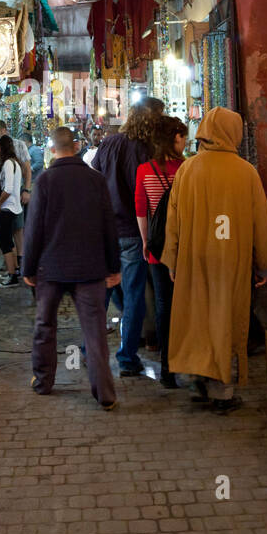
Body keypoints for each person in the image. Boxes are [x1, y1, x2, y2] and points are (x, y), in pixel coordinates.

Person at [163, 106, 267, 413]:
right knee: (226, 320)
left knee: (198, 319)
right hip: (231, 260)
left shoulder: (187, 170)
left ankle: (200, 379)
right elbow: (261, 223)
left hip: (193, 259)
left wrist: (173, 261)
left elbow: (172, 221)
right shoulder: (245, 172)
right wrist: (264, 263)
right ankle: (223, 392)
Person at [22, 127, 121, 410]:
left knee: (45, 326)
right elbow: (108, 226)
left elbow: (34, 230)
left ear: (52, 150)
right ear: (76, 147)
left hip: (51, 269)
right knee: (94, 332)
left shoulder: (45, 181)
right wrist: (113, 266)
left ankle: (43, 381)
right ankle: (105, 394)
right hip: (90, 268)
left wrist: (27, 267)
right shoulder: (95, 180)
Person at [93, 97, 164, 374]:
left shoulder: (109, 143)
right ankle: (126, 358)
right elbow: (145, 193)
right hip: (133, 232)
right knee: (133, 295)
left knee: (104, 293)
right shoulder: (144, 149)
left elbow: (95, 179)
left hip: (107, 229)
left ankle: (89, 349)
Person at [135, 115, 187, 389]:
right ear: (174, 139)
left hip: (157, 249)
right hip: (184, 249)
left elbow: (141, 211)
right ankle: (189, 361)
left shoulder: (144, 170)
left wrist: (145, 242)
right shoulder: (187, 169)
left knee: (164, 307)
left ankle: (168, 369)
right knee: (186, 307)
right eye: (183, 138)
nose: (186, 142)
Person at [0, 134, 23, 286]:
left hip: (8, 208)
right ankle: (15, 270)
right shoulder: (15, 164)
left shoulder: (8, 164)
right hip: (14, 207)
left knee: (4, 241)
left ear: (0, 149)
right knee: (9, 241)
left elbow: (8, 189)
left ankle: (12, 276)